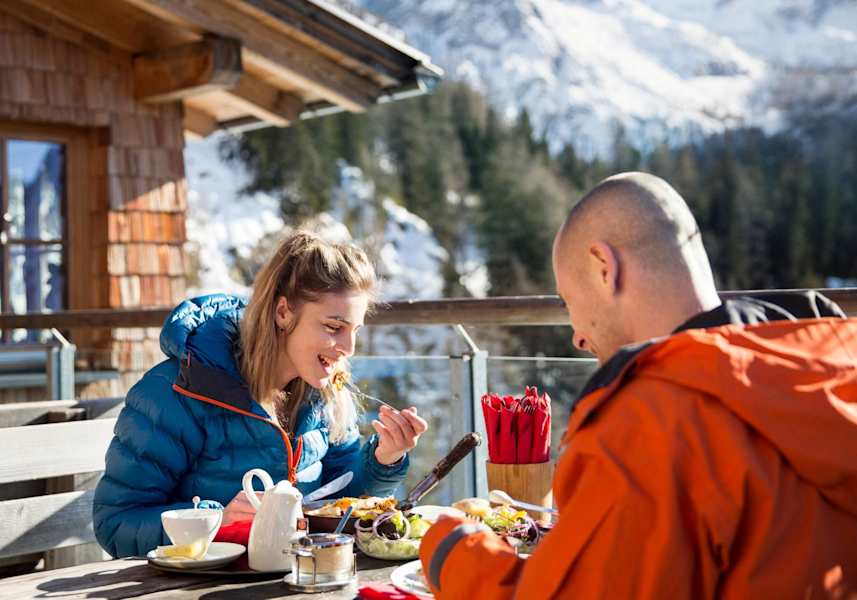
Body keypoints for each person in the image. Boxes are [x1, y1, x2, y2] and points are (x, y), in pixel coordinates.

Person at [419, 172, 857, 598]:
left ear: (605, 266)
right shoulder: (830, 375)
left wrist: (451, 552)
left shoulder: (651, 423)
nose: (577, 335)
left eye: (569, 301)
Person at [94, 231, 427, 558]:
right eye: (332, 327)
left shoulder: (323, 393)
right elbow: (116, 524)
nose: (348, 349)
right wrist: (215, 521)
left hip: (297, 580)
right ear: (283, 313)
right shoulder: (178, 390)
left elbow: (341, 499)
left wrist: (385, 458)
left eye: (354, 331)